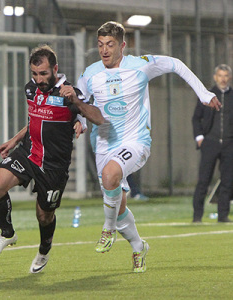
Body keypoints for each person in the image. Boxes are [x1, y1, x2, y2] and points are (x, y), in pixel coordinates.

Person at [76, 21, 221, 273]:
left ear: (123, 45)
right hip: (103, 144)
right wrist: (80, 123)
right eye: (100, 45)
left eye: (110, 45)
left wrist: (203, 93)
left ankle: (106, 229)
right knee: (118, 206)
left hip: (135, 141)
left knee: (111, 177)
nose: (104, 50)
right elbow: (78, 100)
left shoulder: (141, 65)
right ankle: (138, 245)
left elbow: (176, 64)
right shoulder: (90, 72)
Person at [0, 45, 104, 273]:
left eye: (43, 74)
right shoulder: (30, 89)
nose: (38, 79)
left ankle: (43, 250)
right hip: (28, 153)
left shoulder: (71, 93)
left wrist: (78, 108)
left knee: (44, 215)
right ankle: (7, 234)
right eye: (34, 74)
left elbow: (98, 118)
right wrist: (15, 139)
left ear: (55, 69)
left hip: (53, 165)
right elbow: (35, 119)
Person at [192, 64, 233, 223]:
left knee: (227, 180)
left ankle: (223, 216)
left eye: (225, 75)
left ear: (229, 77)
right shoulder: (206, 95)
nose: (223, 79)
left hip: (229, 144)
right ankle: (197, 217)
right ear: (215, 77)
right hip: (210, 142)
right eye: (220, 76)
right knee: (204, 180)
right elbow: (196, 118)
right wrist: (199, 137)